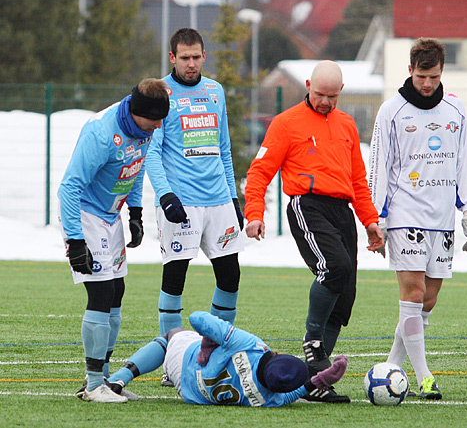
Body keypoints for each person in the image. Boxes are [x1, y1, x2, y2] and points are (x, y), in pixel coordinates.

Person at [244, 60, 384, 403]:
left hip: (341, 212)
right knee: (333, 267)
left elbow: (357, 182)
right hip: (306, 206)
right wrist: (254, 214)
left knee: (344, 296)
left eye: (332, 96)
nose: (325, 102)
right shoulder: (286, 123)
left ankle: (316, 382)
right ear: (308, 85)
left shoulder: (347, 125)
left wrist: (370, 222)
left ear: (341, 93)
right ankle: (312, 341)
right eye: (320, 94)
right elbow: (260, 171)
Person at [368, 38, 467, 400]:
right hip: (404, 215)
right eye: (420, 76)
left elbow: (464, 162)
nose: (426, 84)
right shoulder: (391, 111)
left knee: (426, 301)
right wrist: (376, 217)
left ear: (441, 72)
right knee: (412, 294)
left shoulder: (456, 110)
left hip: (443, 219)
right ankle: (425, 377)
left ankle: (389, 370)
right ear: (409, 71)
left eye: (432, 77)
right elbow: (378, 167)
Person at [58, 78, 169, 403]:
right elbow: (69, 187)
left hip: (111, 217)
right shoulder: (101, 134)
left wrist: (135, 212)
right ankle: (93, 385)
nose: (159, 125)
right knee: (102, 291)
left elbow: (133, 168)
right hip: (85, 215)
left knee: (116, 291)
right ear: (137, 112)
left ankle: (102, 378)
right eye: (155, 119)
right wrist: (76, 241)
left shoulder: (145, 127)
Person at [145, 28, 244, 349]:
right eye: (184, 58)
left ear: (204, 56)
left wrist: (233, 196)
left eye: (196, 57)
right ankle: (171, 356)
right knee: (175, 280)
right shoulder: (161, 94)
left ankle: (211, 349)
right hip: (181, 203)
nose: (191, 64)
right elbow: (152, 153)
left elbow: (224, 148)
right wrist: (165, 196)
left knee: (230, 278)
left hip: (219, 202)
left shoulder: (215, 91)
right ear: (172, 58)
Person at [100, 311, 348, 406]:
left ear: (276, 355)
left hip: (187, 361)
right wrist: (318, 380)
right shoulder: (268, 399)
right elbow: (291, 394)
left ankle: (117, 381)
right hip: (190, 393)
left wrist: (207, 344)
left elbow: (197, 318)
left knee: (171, 336)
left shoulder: (249, 345)